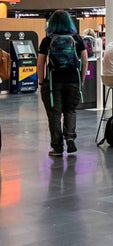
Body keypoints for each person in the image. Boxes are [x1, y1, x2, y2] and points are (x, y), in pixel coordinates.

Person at [36, 10, 88, 157]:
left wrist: (41, 82)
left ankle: (57, 147)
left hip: (52, 83)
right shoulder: (77, 39)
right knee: (70, 110)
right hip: (73, 81)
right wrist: (81, 80)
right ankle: (70, 138)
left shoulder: (47, 40)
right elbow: (84, 61)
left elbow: (40, 64)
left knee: (54, 114)